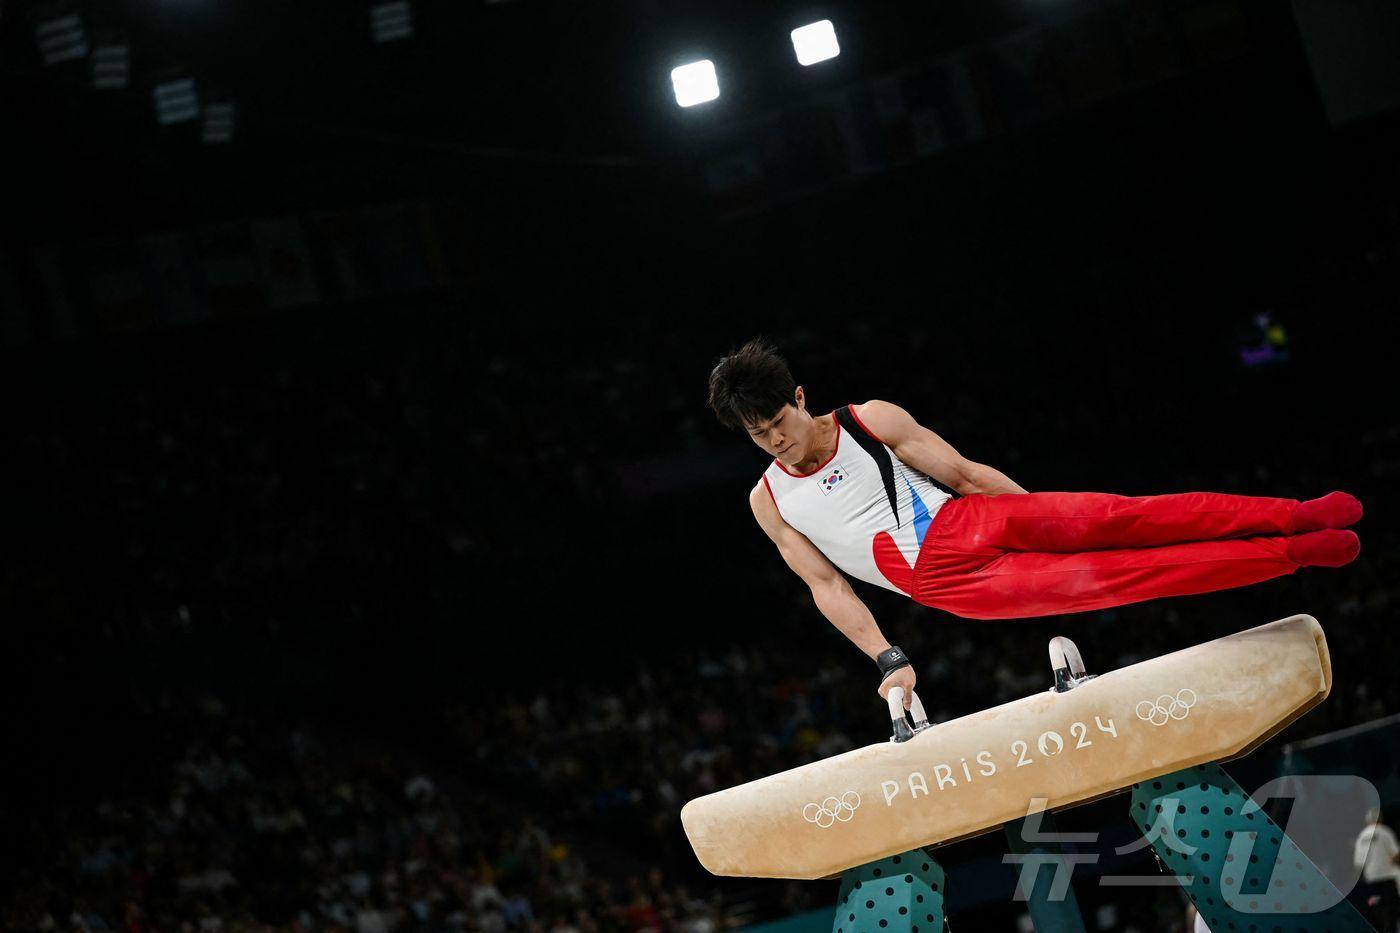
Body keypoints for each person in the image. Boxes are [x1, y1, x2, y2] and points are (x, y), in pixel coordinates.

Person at [705, 338, 1362, 705]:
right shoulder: (771, 501)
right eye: (757, 435)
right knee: (1126, 576)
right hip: (949, 582)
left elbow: (960, 473)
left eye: (779, 424)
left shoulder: (868, 419)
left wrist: (1039, 516)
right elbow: (829, 587)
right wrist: (888, 658)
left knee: (1123, 517)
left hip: (976, 515)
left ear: (800, 398)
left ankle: (1299, 515)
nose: (775, 441)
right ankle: (1294, 554)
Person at [1354, 807, 1400, 931]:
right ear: (1381, 819)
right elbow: (1396, 855)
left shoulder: (1361, 837)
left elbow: (1358, 863)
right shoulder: (1384, 832)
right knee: (1391, 907)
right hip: (1387, 878)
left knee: (1377, 906)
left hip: (1371, 880)